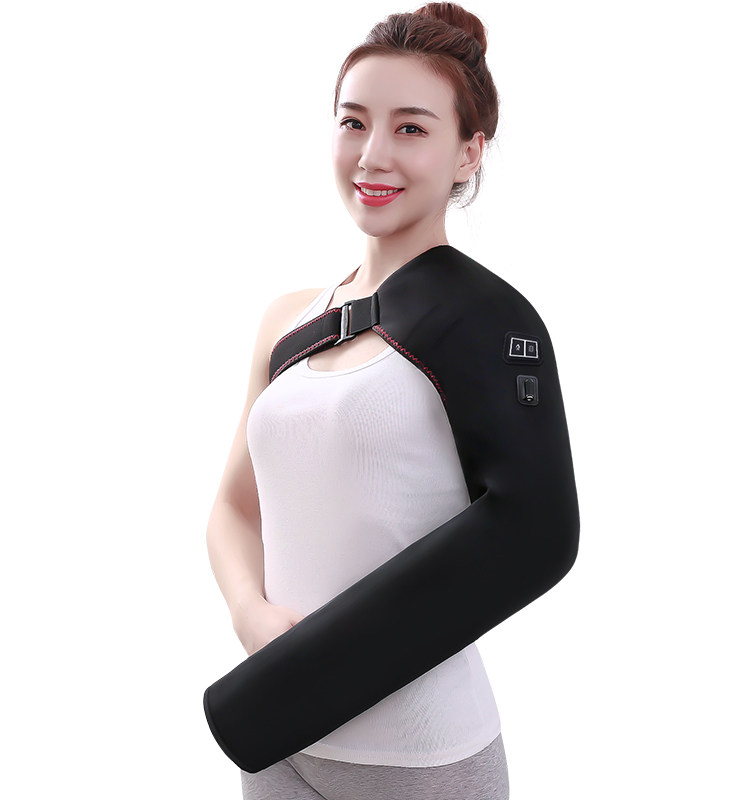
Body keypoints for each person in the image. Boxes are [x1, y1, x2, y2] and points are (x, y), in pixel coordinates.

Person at [207, 4, 518, 798]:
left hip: (421, 757)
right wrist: (253, 619)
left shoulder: (480, 324)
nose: (373, 154)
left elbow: (527, 535)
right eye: (354, 121)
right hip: (280, 732)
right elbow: (235, 509)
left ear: (469, 151)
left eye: (411, 128)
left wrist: (332, 664)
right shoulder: (289, 321)